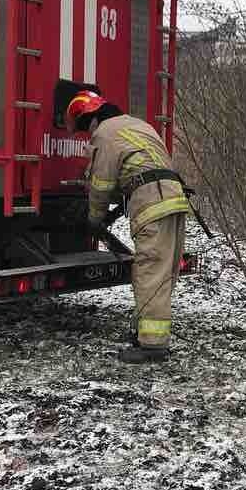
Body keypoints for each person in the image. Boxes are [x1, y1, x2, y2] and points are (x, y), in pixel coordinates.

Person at [66, 90, 190, 364]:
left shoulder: (106, 134)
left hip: (152, 202)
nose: (88, 135)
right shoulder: (137, 125)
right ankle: (145, 334)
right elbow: (141, 169)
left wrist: (94, 219)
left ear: (91, 119)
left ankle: (152, 346)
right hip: (174, 199)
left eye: (85, 129)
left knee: (149, 271)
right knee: (161, 272)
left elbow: (102, 184)